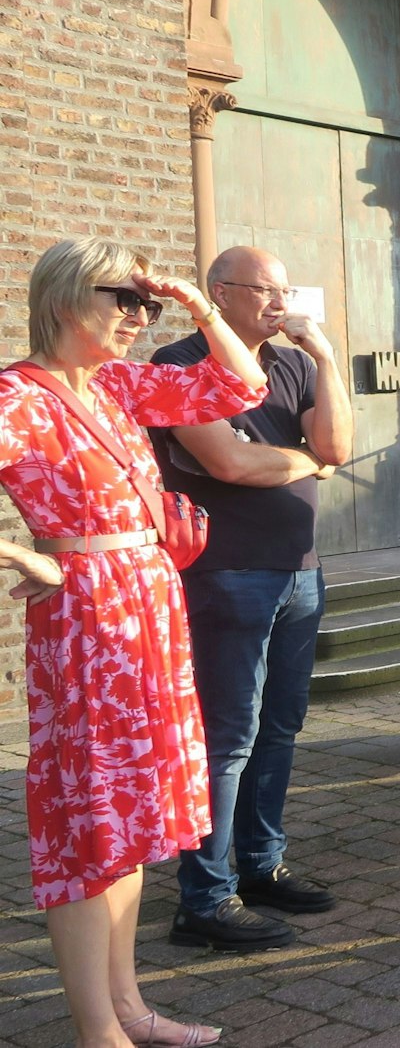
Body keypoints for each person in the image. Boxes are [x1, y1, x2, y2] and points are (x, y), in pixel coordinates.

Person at [0, 238, 268, 1047]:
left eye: (147, 305)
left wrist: (195, 299)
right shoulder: (18, 397)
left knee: (131, 816)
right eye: (125, 298)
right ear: (66, 297)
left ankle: (129, 1007)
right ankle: (97, 1031)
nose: (138, 316)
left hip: (149, 612)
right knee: (89, 822)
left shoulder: (116, 384)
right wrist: (26, 551)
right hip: (85, 621)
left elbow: (240, 382)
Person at [149, 247, 351, 954]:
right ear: (218, 293)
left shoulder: (293, 362)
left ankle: (260, 864)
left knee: (281, 726)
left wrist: (325, 356)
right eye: (262, 289)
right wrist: (308, 460)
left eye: (284, 288)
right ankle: (204, 897)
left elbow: (339, 441)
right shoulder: (177, 364)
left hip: (299, 571)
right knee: (226, 737)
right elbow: (228, 461)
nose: (278, 300)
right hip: (226, 572)